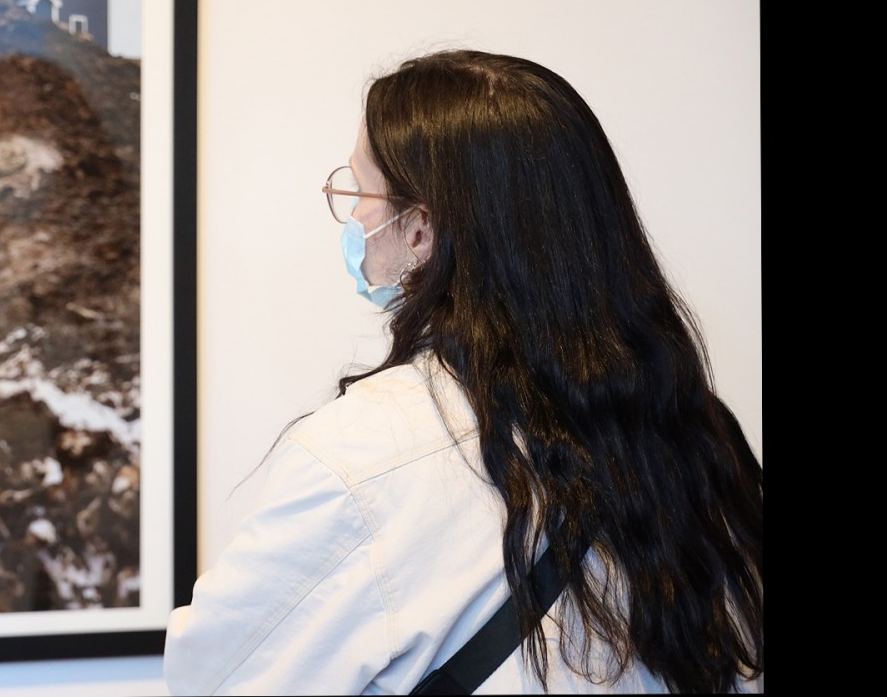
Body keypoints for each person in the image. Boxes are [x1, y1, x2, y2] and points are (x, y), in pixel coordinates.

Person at [163, 50, 763, 694]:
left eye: (360, 191)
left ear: (421, 229)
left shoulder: (362, 457)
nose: (355, 217)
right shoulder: (701, 435)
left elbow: (213, 677)